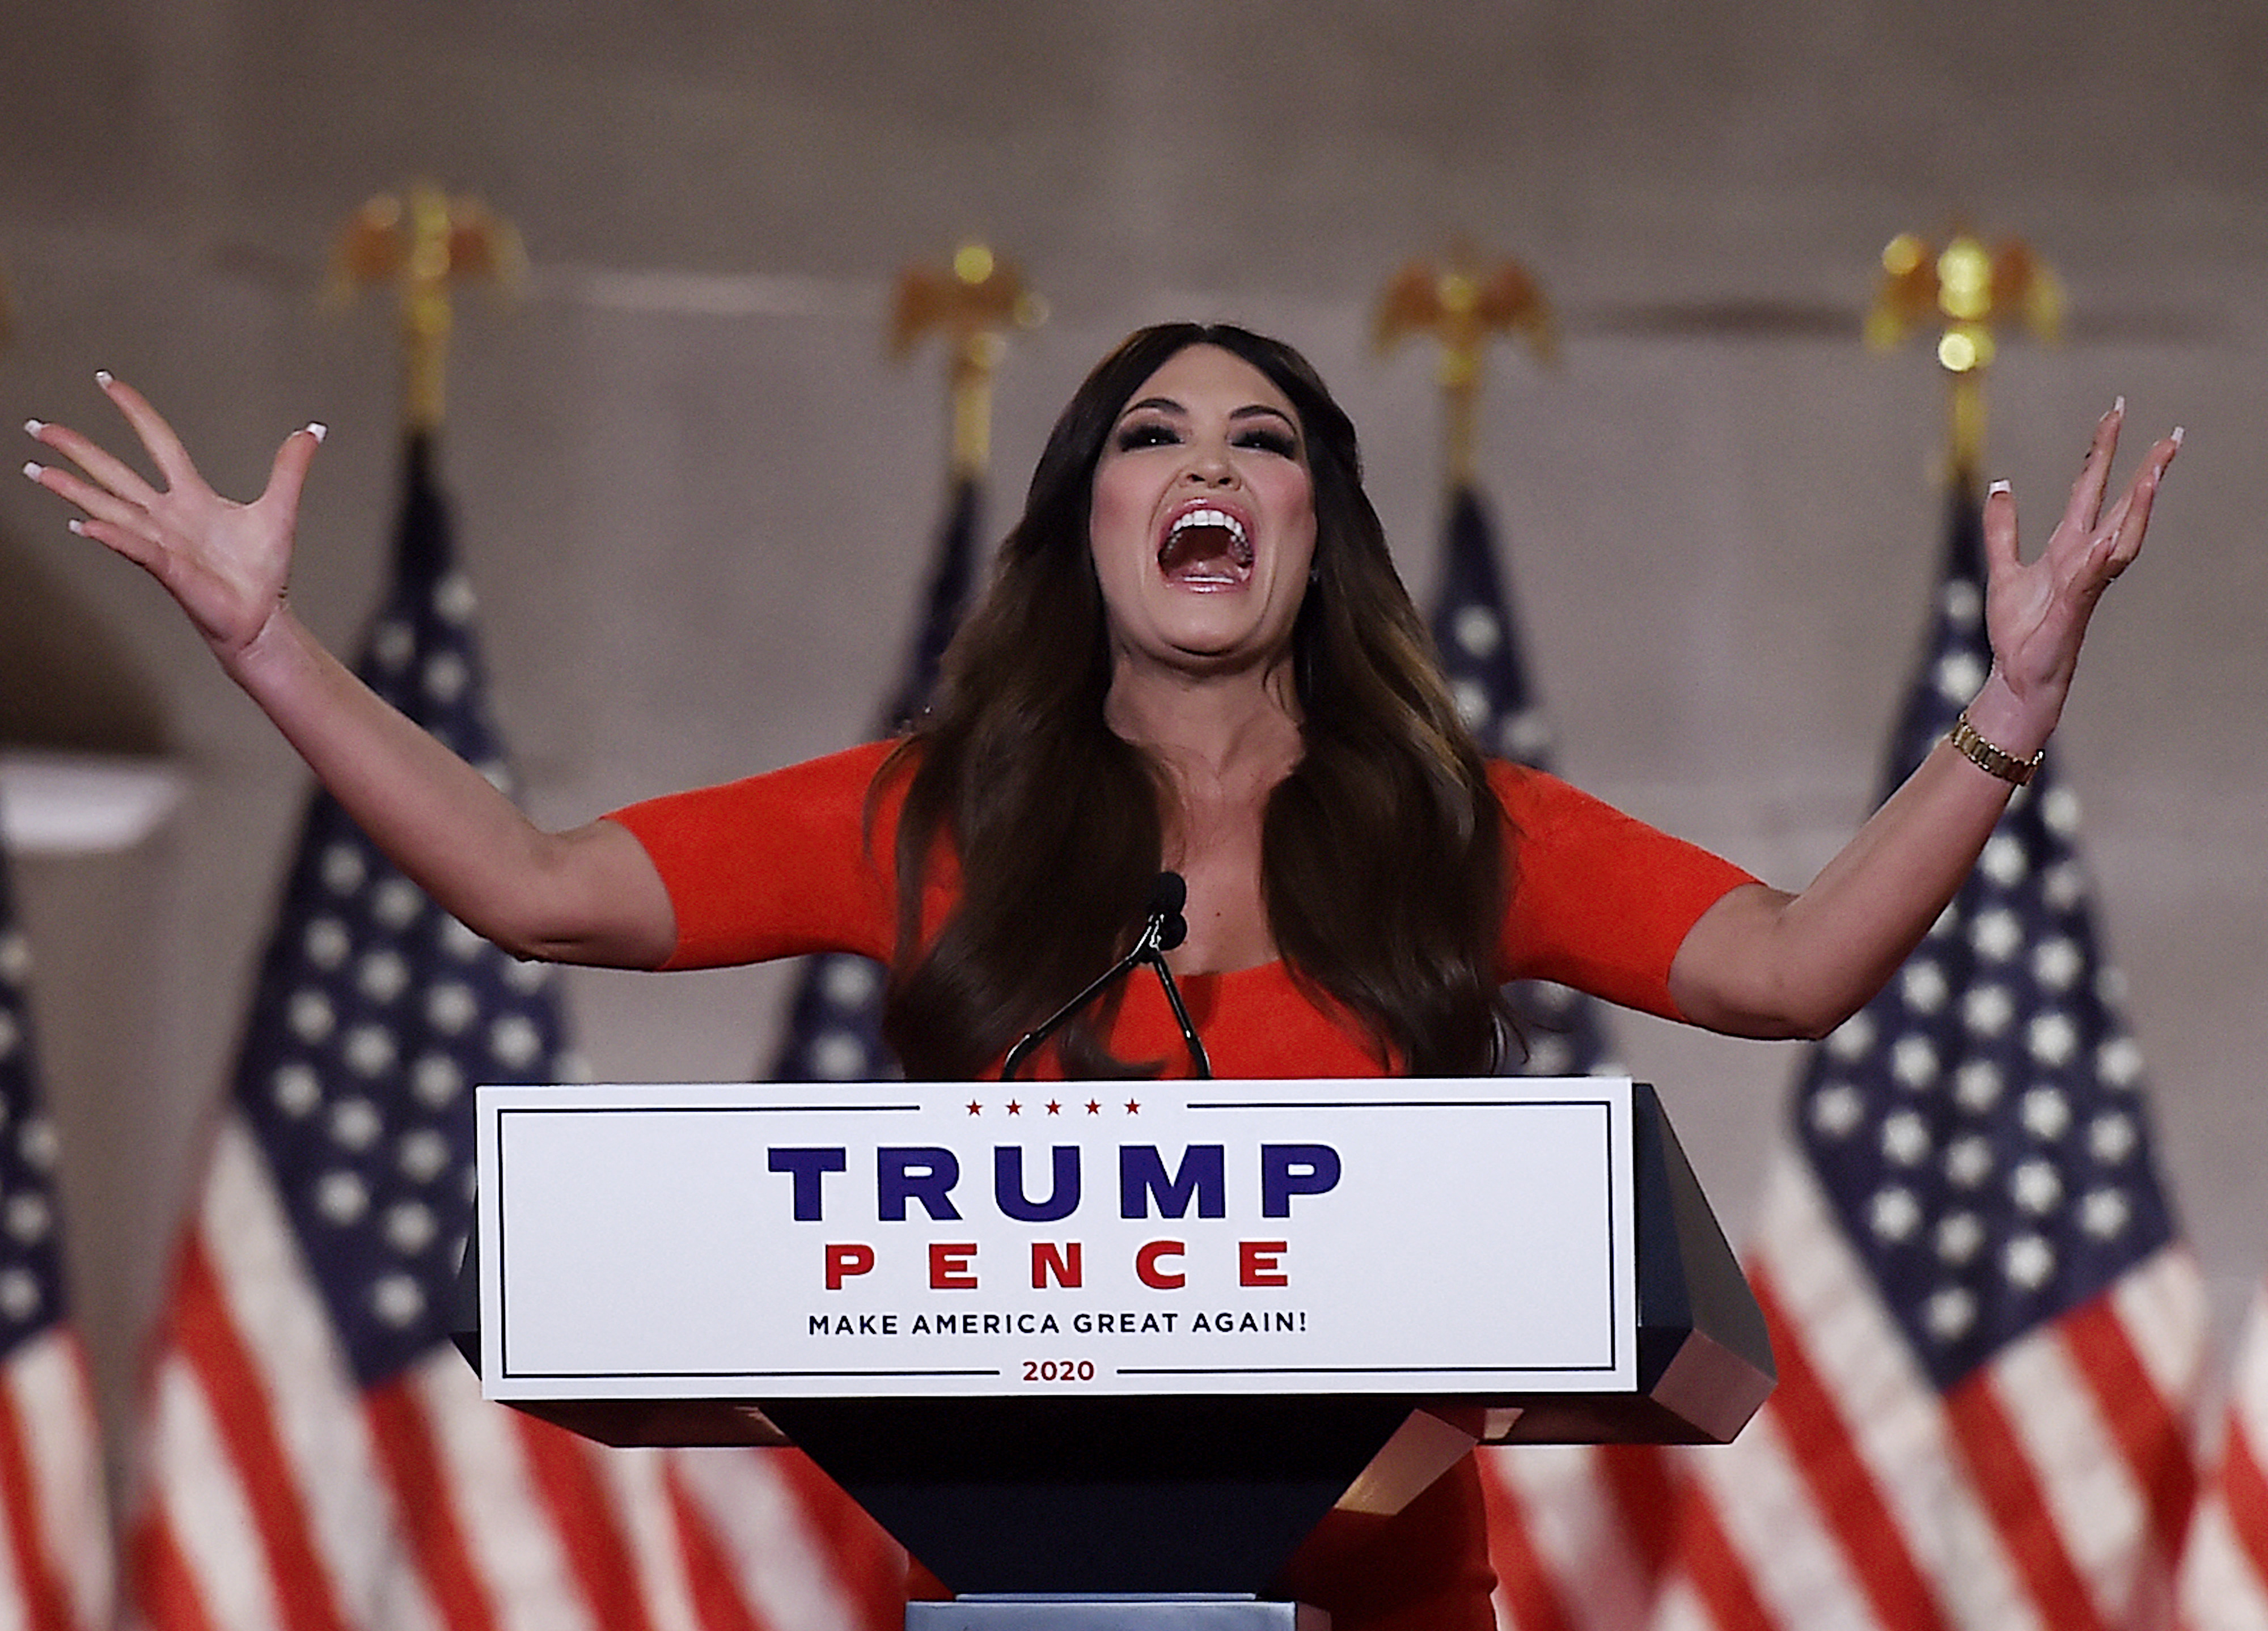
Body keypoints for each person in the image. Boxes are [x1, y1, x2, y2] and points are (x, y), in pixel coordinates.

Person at [21, 324, 2177, 1629]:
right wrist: (262, 649)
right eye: (1156, 435)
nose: (1212, 466)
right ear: (1085, 524)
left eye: (1264, 444)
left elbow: (1794, 971)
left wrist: (2003, 715)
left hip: (1390, 1612)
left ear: (1319, 530)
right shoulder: (933, 812)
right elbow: (528, 879)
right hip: (1021, 1598)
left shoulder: (1452, 821)